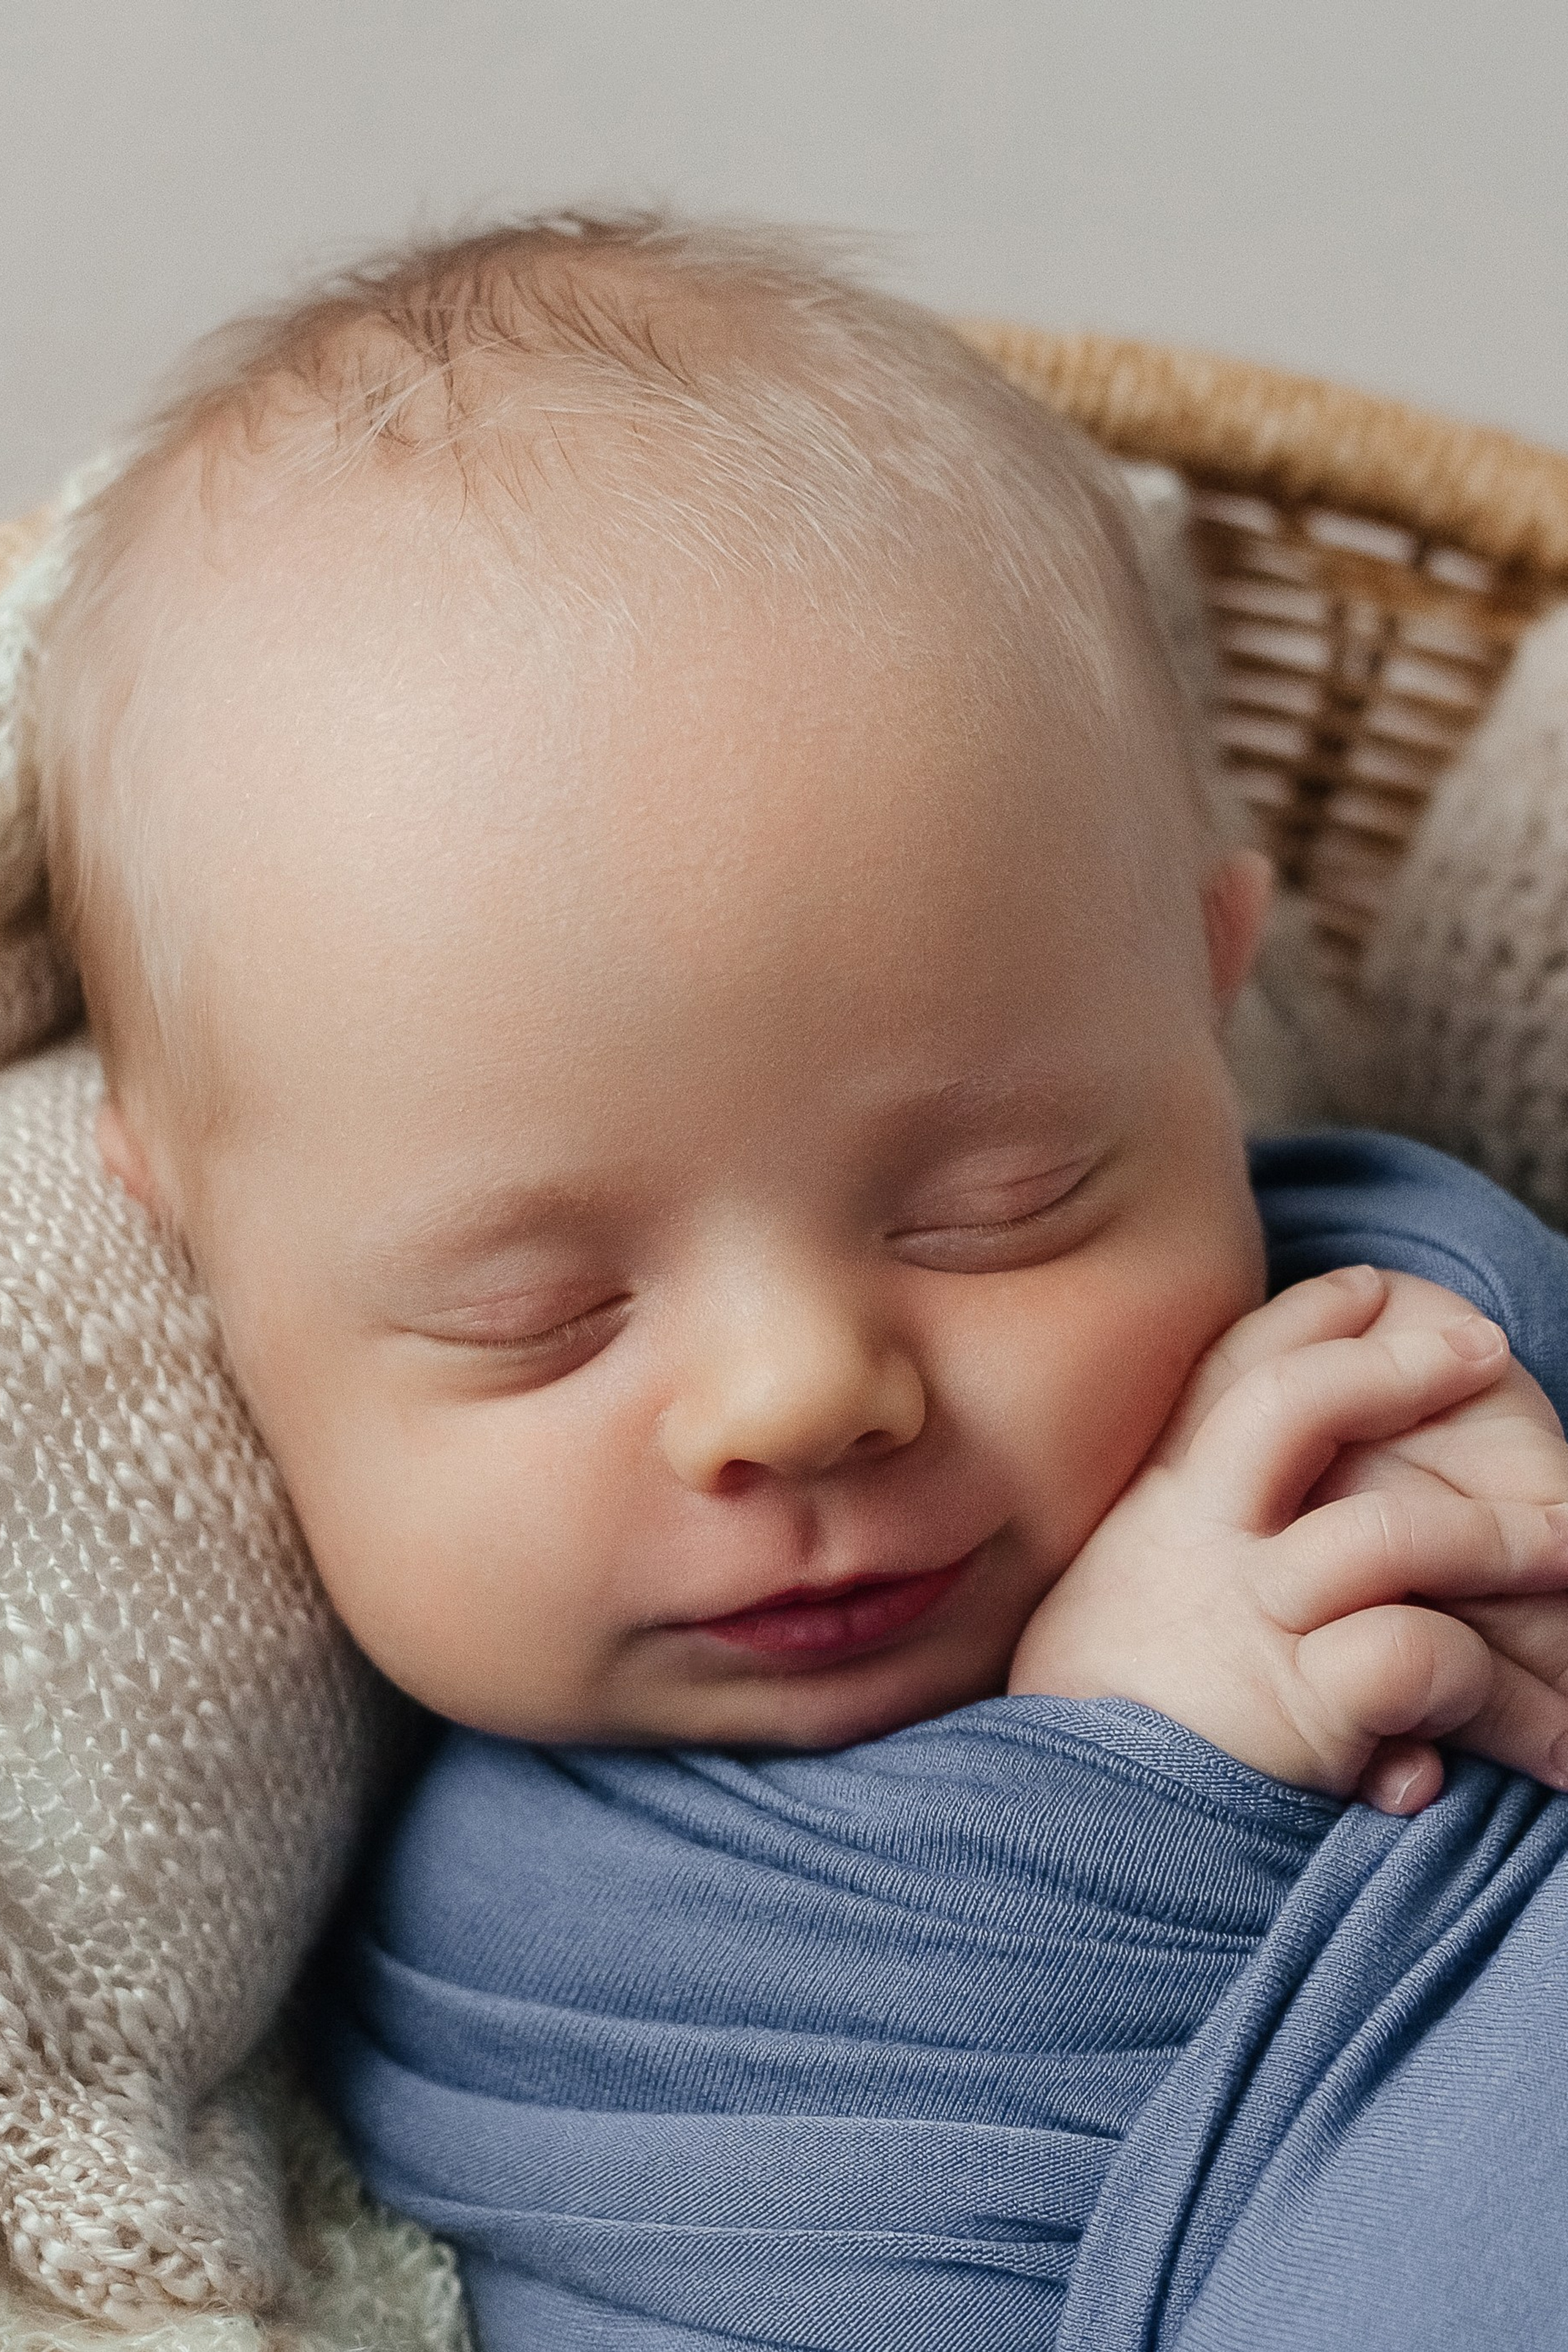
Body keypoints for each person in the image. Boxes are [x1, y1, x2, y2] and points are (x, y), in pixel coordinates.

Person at [33, 213, 1568, 2348]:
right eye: (536, 1311)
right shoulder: (487, 1931)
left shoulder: (1406, 1378)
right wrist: (1125, 1795)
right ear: (201, 1241)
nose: (798, 1390)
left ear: (1208, 1005)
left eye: (1003, 1200)